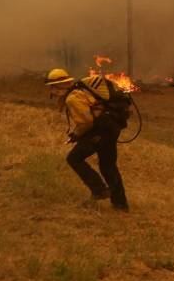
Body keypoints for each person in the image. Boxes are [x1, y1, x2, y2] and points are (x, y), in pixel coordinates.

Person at [45, 68, 129, 211]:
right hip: (111, 127)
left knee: (74, 158)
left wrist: (76, 135)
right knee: (108, 166)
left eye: (52, 88)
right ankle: (120, 204)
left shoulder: (72, 98)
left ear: (59, 86)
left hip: (101, 130)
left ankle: (99, 190)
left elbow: (86, 122)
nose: (52, 92)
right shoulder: (80, 91)